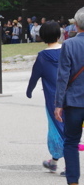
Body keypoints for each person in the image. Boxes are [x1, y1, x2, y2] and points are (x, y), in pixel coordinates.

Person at [27, 21, 65, 174]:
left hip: (52, 99)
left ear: (41, 36)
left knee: (57, 129)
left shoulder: (43, 56)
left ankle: (66, 164)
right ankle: (54, 161)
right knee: (68, 129)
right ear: (59, 34)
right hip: (70, 97)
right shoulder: (67, 51)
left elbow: (34, 76)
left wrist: (29, 91)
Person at [54, 7, 84, 185]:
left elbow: (63, 76)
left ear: (76, 24)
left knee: (71, 141)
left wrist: (58, 103)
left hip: (74, 101)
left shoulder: (70, 44)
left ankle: (73, 182)